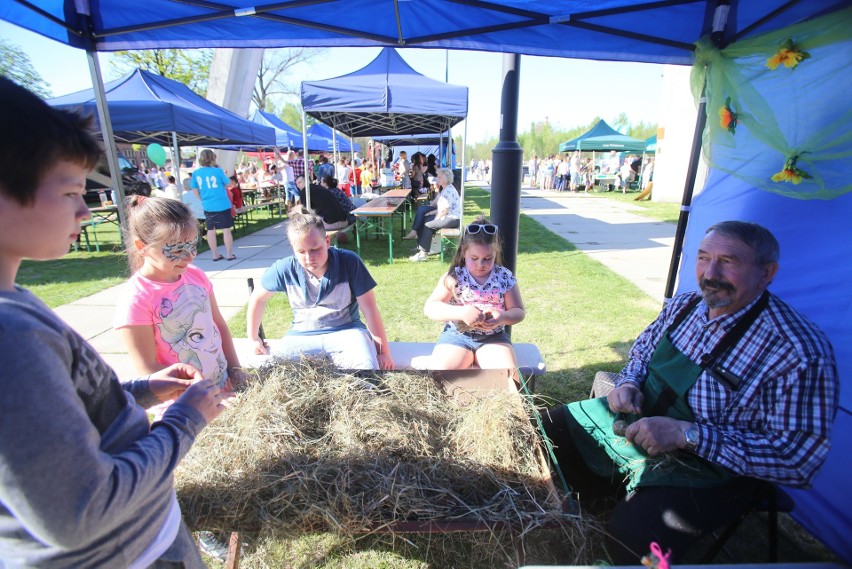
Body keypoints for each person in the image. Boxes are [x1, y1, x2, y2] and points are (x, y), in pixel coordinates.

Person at [0, 74, 227, 569]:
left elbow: (71, 406)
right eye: (69, 192)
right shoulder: (8, 336)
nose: (85, 210)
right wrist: (187, 420)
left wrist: (142, 389)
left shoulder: (15, 304)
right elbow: (80, 510)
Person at [539, 220, 838, 563]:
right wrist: (628, 383)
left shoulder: (799, 352)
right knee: (547, 429)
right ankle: (594, 491)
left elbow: (797, 460)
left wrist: (688, 435)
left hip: (713, 466)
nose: (710, 273)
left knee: (636, 536)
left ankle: (622, 511)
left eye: (729, 261)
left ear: (766, 272)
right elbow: (640, 354)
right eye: (703, 257)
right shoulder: (683, 307)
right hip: (639, 423)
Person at [114, 195, 246, 391]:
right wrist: (203, 395)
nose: (189, 257)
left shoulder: (196, 276)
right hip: (185, 407)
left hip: (223, 388)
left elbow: (218, 325)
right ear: (142, 247)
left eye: (192, 246)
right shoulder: (137, 298)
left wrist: (235, 370)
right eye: (176, 250)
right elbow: (147, 368)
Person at [246, 209, 394, 370]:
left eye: (315, 249)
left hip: (348, 332)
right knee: (278, 374)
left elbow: (370, 309)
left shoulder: (349, 262)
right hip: (300, 335)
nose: (309, 258)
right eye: (301, 252)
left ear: (327, 241)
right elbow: (258, 298)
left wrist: (383, 352)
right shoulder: (284, 268)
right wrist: (253, 338)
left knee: (363, 372)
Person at [422, 216, 525, 370]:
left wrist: (502, 316)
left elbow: (519, 312)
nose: (480, 265)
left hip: (493, 338)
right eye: (474, 258)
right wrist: (462, 313)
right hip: (457, 336)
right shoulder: (454, 276)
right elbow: (430, 308)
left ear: (496, 254)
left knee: (507, 375)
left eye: (488, 258)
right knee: (440, 372)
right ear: (464, 252)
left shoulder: (504, 277)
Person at [191, 149, 236, 261]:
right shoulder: (218, 171)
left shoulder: (196, 173)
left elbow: (195, 190)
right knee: (226, 229)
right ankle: (229, 254)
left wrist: (203, 199)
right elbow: (229, 184)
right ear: (213, 158)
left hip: (208, 205)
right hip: (222, 204)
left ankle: (215, 254)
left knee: (211, 230)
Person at [408, 167, 461, 262]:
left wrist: (436, 219)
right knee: (425, 219)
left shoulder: (448, 191)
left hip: (452, 219)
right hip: (448, 216)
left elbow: (445, 210)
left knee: (428, 225)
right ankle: (421, 247)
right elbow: (440, 208)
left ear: (446, 178)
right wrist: (429, 214)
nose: (438, 179)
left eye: (440, 177)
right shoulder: (445, 189)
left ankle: (423, 254)